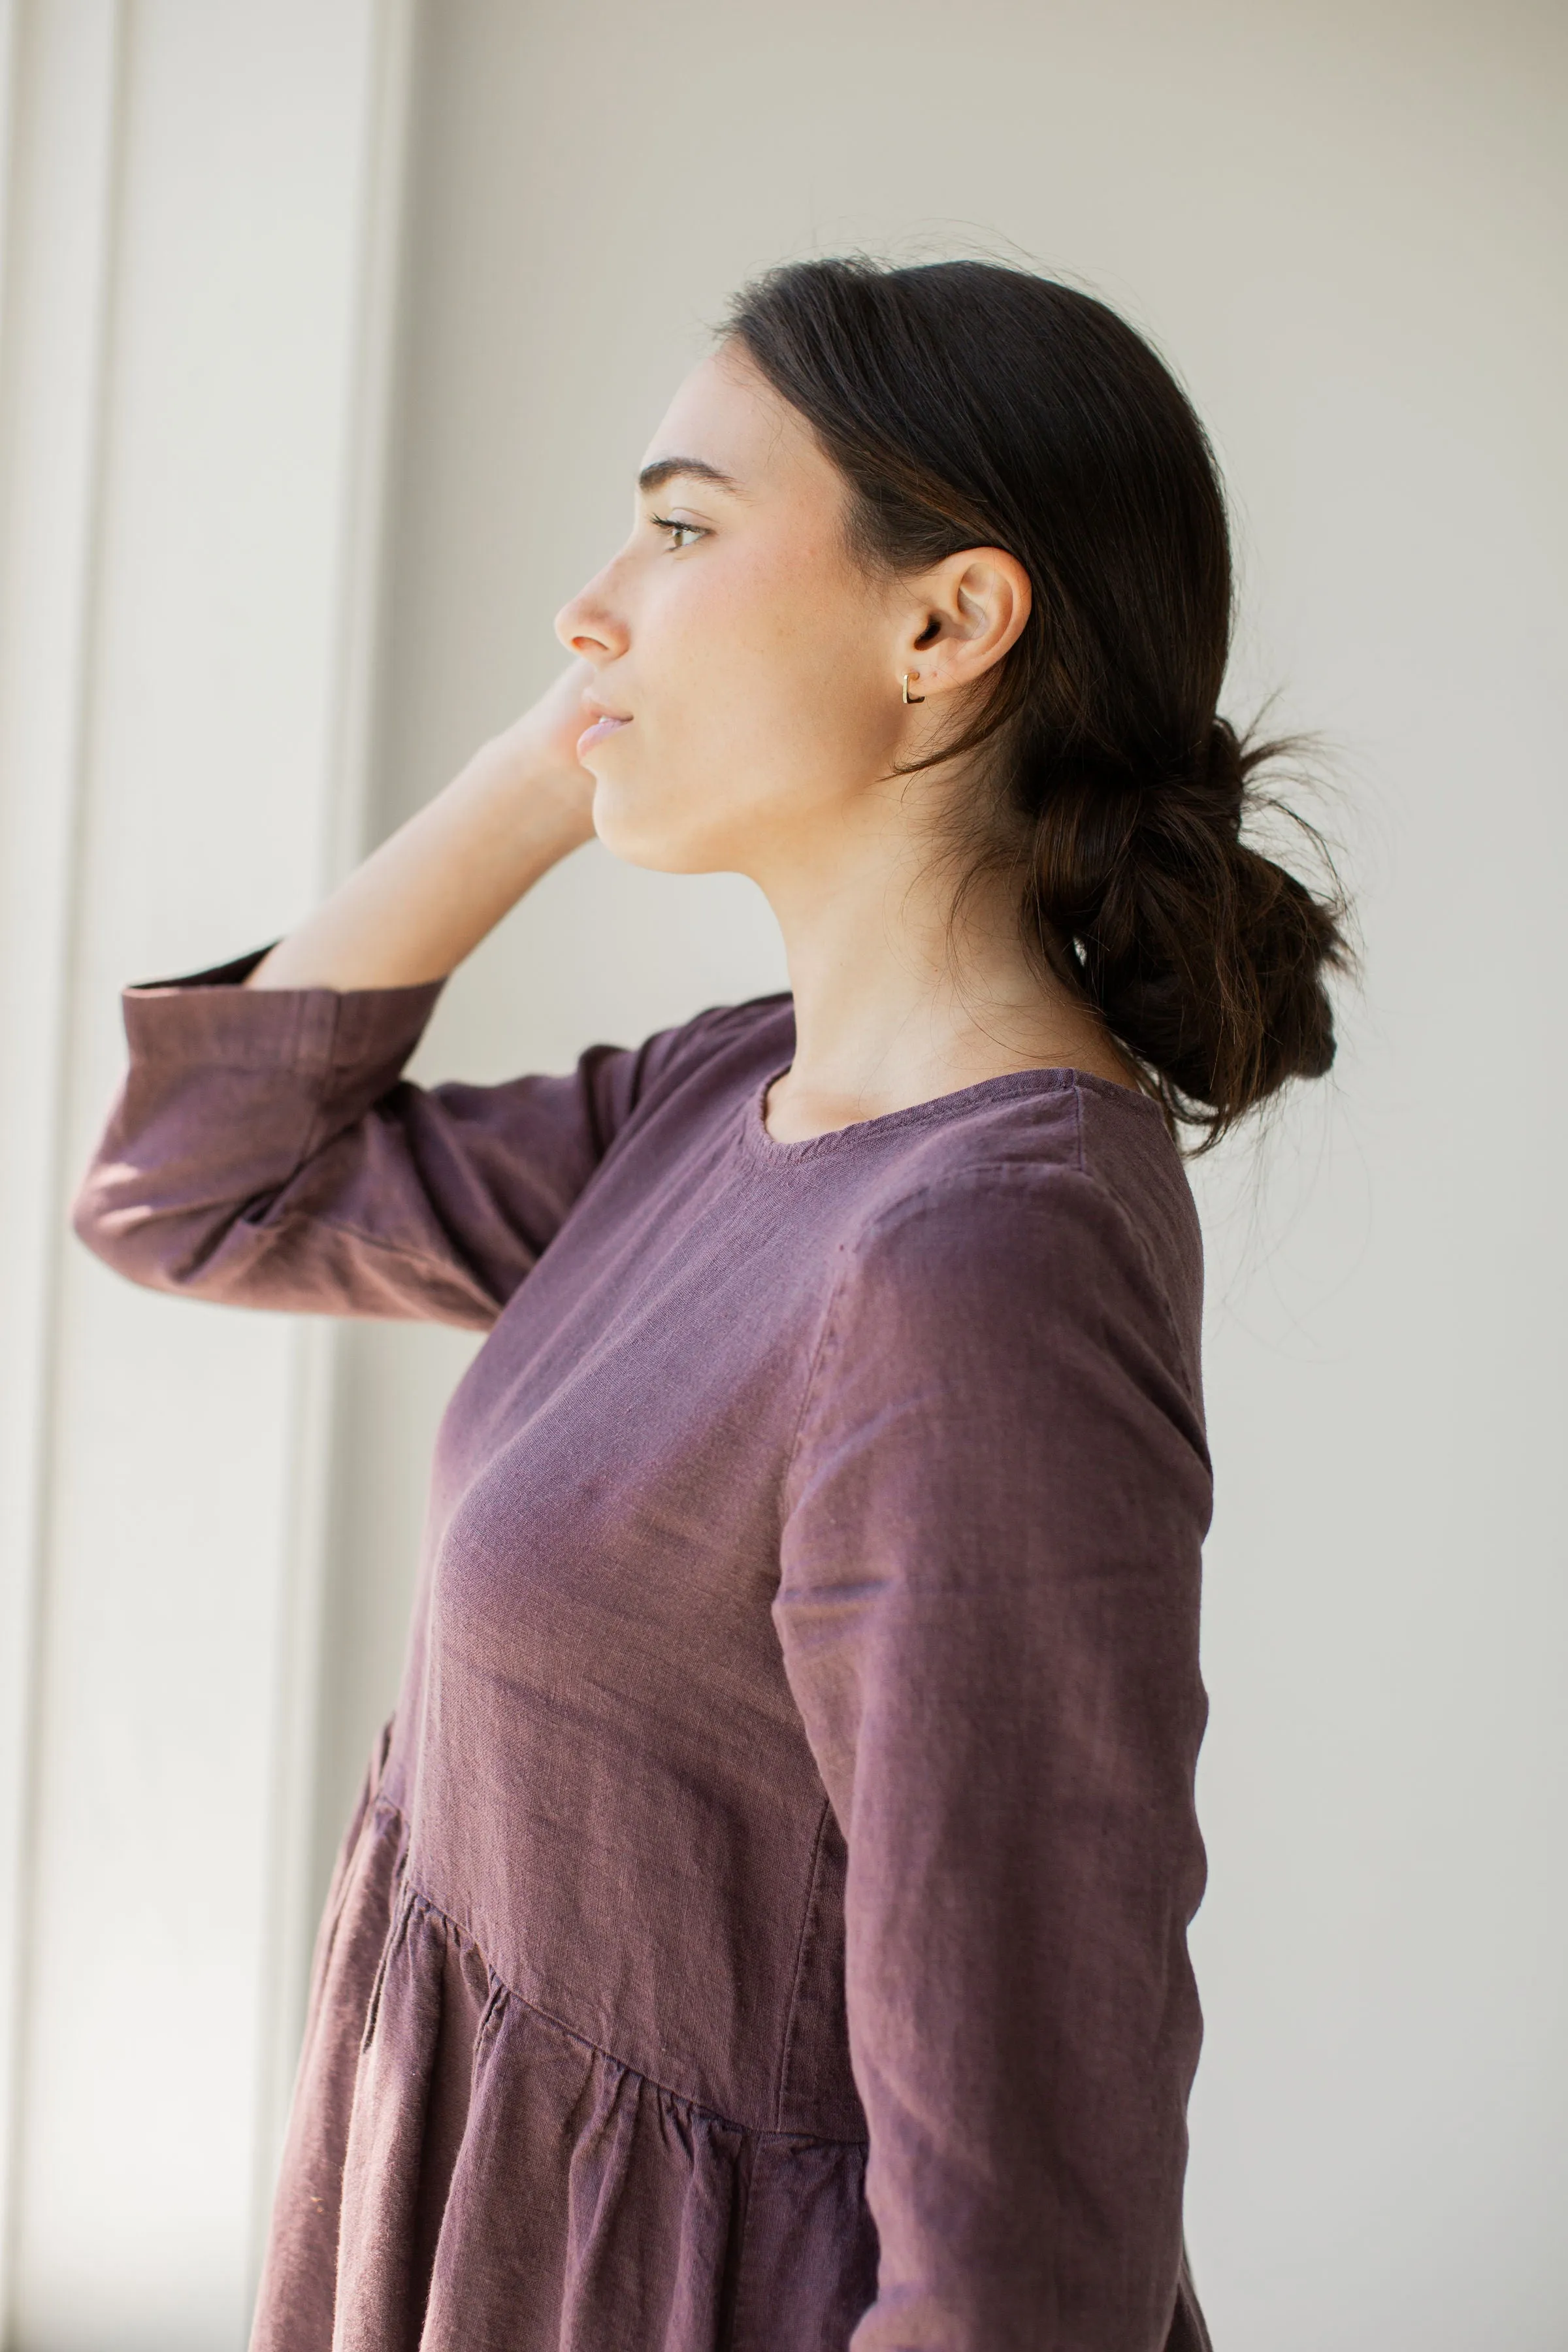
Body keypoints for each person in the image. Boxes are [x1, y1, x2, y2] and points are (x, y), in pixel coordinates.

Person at [73, 256, 1345, 2351]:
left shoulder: (982, 1260)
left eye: (675, 526)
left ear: (946, 624)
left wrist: (604, 712)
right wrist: (542, 758)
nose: (597, 601)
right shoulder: (721, 1101)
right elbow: (200, 1192)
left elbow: (1026, 2249)